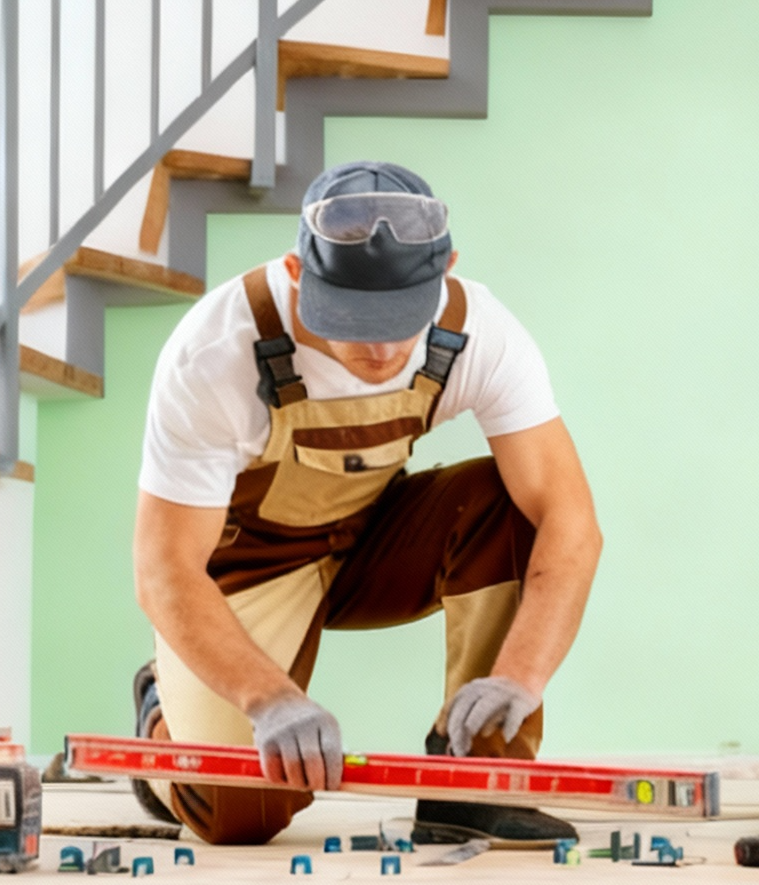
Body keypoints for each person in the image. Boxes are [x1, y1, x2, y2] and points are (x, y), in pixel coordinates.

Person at [129, 161, 602, 846]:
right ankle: (161, 710)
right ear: (298, 273)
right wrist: (270, 700)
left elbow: (570, 520)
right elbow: (165, 569)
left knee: (512, 504)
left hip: (372, 544)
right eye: (352, 319)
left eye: (400, 320)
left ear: (445, 274)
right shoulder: (215, 354)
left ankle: (471, 782)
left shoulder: (480, 332)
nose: (380, 349)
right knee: (240, 816)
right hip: (248, 567)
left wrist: (520, 677)